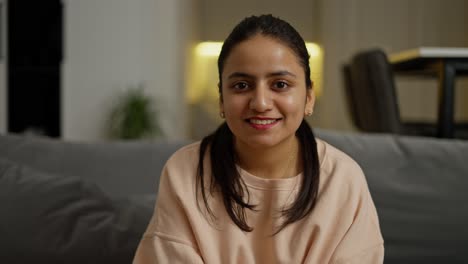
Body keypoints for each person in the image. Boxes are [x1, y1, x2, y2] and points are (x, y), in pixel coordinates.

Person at [133, 14, 384, 263]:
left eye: (280, 84)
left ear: (309, 97)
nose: (261, 103)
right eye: (242, 86)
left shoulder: (343, 179)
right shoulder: (185, 171)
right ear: (222, 99)